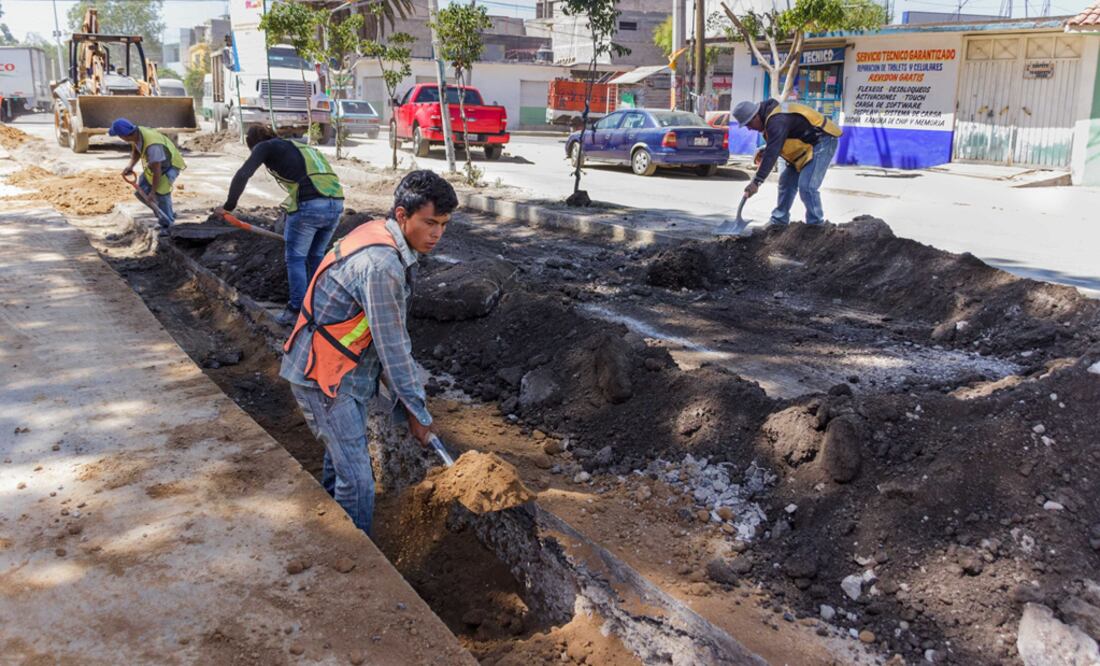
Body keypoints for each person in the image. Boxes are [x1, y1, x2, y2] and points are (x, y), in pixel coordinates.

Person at [280, 170, 458, 536]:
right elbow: (393, 347)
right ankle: (356, 556)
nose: (437, 234)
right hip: (325, 377)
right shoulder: (382, 265)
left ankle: (334, 530)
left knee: (342, 461)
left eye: (443, 224)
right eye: (430, 223)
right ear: (402, 215)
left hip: (345, 371)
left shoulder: (381, 234)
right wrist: (417, 411)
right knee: (358, 481)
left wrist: (409, 405)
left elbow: (380, 339)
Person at [215, 125, 345, 326]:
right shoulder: (298, 146)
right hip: (335, 203)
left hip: (309, 206)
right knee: (315, 257)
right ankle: (320, 308)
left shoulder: (264, 146)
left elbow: (243, 174)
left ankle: (296, 311)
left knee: (296, 259)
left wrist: (228, 207)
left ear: (253, 144)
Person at [731, 99, 842, 227]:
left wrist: (756, 181)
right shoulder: (771, 118)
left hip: (822, 141)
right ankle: (779, 221)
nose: (749, 128)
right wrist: (765, 150)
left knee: (807, 186)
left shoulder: (776, 120)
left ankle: (816, 226)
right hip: (805, 147)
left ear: (756, 116)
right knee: (786, 182)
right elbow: (780, 141)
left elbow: (773, 152)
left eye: (748, 124)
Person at [112, 118, 186, 228]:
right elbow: (137, 151)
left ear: (124, 136)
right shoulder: (137, 135)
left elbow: (157, 171)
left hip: (170, 167)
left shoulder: (153, 146)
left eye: (119, 135)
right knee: (141, 192)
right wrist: (130, 166)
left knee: (161, 194)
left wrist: (153, 192)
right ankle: (165, 213)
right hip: (155, 166)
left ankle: (167, 225)